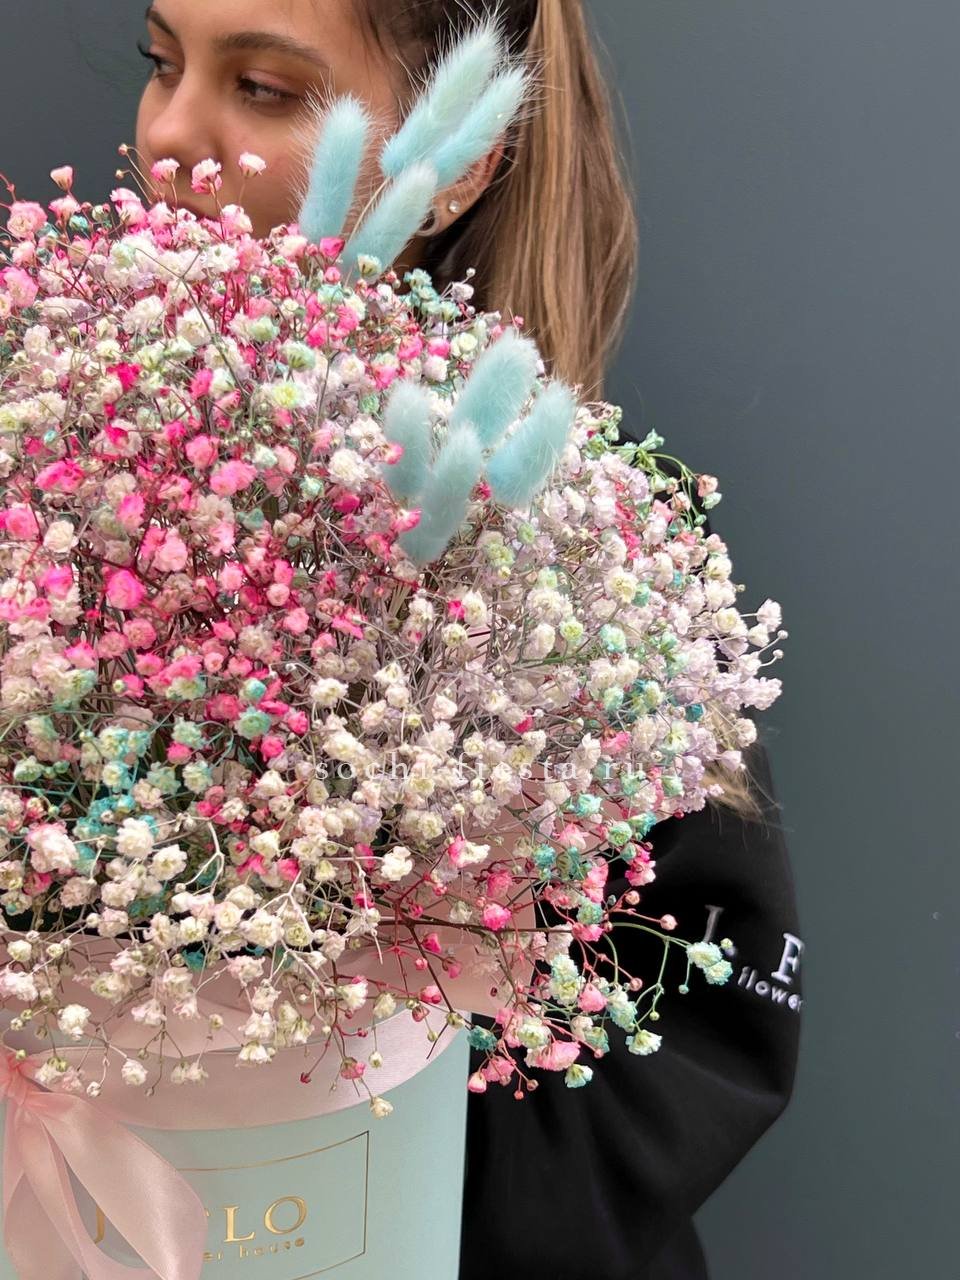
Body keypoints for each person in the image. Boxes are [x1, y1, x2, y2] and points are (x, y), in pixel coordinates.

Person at [133, 3, 804, 1277]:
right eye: (159, 62)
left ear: (462, 159)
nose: (170, 131)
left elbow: (699, 1031)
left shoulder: (593, 563)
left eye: (265, 86)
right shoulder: (74, 498)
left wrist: (338, 1176)